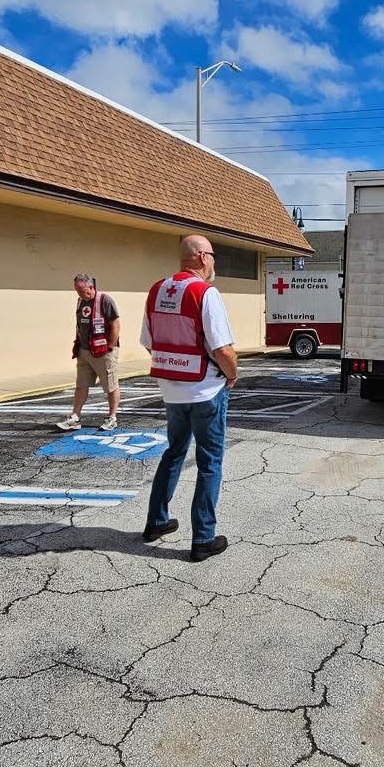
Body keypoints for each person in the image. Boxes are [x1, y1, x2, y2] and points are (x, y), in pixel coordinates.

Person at [140, 234, 238, 562]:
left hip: (171, 390)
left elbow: (148, 341)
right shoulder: (204, 292)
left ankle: (156, 522)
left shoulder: (156, 291)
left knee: (174, 452)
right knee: (210, 461)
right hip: (206, 390)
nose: (213, 261)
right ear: (199, 256)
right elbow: (222, 349)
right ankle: (203, 539)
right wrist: (232, 374)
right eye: (211, 255)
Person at [57, 273, 121, 432]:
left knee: (110, 386)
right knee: (81, 385)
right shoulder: (80, 301)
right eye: (77, 291)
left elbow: (116, 325)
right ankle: (75, 417)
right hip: (84, 351)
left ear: (91, 287)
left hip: (103, 352)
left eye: (82, 290)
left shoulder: (105, 300)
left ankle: (112, 418)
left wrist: (110, 348)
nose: (79, 294)